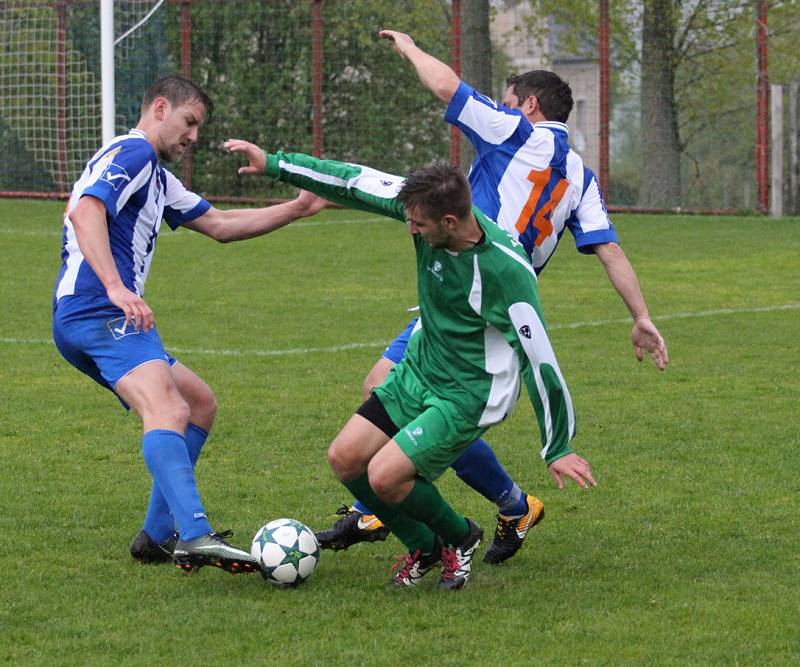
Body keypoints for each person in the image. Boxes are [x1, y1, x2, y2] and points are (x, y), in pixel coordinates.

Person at [313, 30, 668, 565]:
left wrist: (409, 49)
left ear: (527, 105)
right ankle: (413, 497)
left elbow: (447, 86)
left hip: (471, 300)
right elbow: (610, 249)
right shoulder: (582, 178)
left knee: (423, 402)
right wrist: (640, 316)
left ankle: (482, 504)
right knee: (382, 384)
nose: (498, 109)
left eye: (506, 101)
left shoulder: (515, 132)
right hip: (497, 307)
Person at [226, 142, 595, 590]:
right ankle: (424, 546)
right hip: (421, 369)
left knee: (386, 476)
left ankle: (460, 538)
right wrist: (278, 165)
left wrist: (557, 446)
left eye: (418, 225)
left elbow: (541, 362)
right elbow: (354, 179)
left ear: (450, 222)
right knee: (345, 459)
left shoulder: (506, 272)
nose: (410, 230)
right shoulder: (424, 210)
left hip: (470, 394)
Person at [51, 75, 326, 575]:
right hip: (100, 310)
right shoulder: (132, 153)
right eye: (189, 122)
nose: (194, 136)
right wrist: (116, 287)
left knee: (198, 403)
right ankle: (194, 535)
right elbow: (85, 210)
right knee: (168, 407)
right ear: (160, 108)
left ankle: (157, 537)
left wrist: (299, 208)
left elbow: (220, 225)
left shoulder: (157, 177)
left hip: (91, 314)